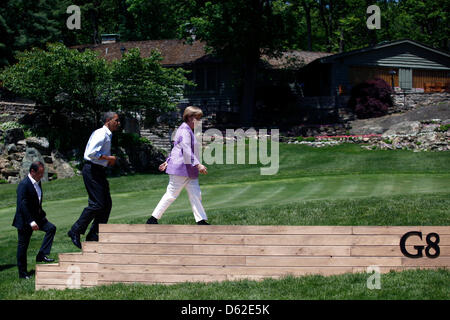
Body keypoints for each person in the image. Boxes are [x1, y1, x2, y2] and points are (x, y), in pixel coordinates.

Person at [147, 106, 209, 225]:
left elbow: (176, 148)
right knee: (171, 195)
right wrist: (198, 165)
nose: (199, 121)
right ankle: (153, 219)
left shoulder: (186, 130)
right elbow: (185, 149)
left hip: (189, 170)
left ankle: (201, 221)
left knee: (196, 195)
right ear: (189, 117)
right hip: (181, 169)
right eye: (198, 118)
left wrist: (167, 161)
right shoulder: (185, 130)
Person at [68, 112, 120, 248]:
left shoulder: (107, 134)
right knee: (97, 204)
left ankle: (94, 235)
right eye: (116, 120)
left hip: (99, 171)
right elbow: (91, 153)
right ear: (108, 120)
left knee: (106, 204)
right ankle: (75, 230)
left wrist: (107, 161)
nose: (118, 123)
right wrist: (109, 158)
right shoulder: (101, 134)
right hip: (92, 170)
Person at [13, 161, 56, 279]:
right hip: (24, 220)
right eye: (40, 173)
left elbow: (36, 202)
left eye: (43, 173)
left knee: (51, 228)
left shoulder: (38, 182)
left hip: (37, 218)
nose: (42, 175)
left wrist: (41, 216)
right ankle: (23, 274)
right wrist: (31, 222)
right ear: (32, 172)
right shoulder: (24, 185)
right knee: (23, 246)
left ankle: (41, 255)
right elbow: (22, 205)